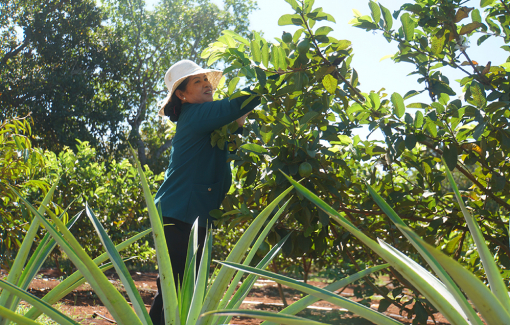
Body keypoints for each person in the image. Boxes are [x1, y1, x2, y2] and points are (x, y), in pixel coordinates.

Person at [148, 60, 260, 325]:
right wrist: (272, 79)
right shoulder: (195, 115)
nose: (206, 84)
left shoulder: (207, 123)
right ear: (182, 95)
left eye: (206, 80)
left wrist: (238, 126)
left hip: (194, 214)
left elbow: (227, 137)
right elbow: (234, 106)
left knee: (184, 285)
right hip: (180, 213)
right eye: (197, 82)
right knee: (175, 285)